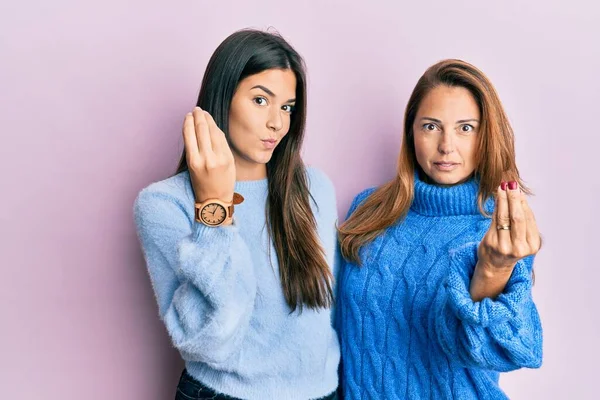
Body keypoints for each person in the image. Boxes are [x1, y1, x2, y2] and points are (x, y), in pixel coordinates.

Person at [134, 29, 340, 400]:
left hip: (322, 393)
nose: (277, 122)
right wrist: (215, 206)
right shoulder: (164, 204)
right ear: (222, 99)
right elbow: (213, 341)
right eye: (261, 100)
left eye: (287, 107)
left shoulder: (316, 189)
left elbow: (328, 316)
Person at [336, 59, 543, 399]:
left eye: (466, 128)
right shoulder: (368, 208)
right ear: (411, 131)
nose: (447, 145)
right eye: (431, 127)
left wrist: (494, 268)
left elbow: (495, 352)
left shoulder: (498, 231)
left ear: (486, 135)